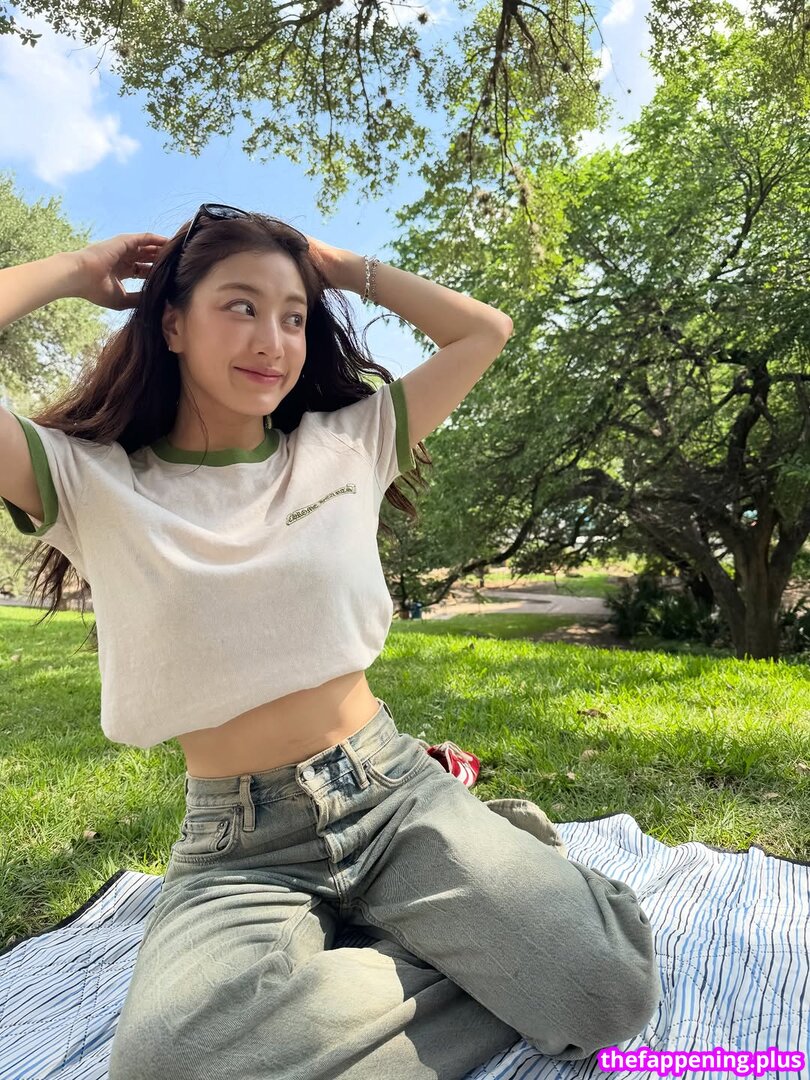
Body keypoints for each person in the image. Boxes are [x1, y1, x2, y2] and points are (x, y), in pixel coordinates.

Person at [0, 206, 661, 1079]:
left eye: (293, 316)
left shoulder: (350, 442)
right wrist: (78, 269)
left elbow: (484, 331)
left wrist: (339, 266)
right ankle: (478, 943)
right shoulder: (91, 481)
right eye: (240, 306)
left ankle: (491, 916)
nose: (272, 339)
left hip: (392, 795)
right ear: (173, 323)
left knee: (609, 990)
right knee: (166, 1067)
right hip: (241, 845)